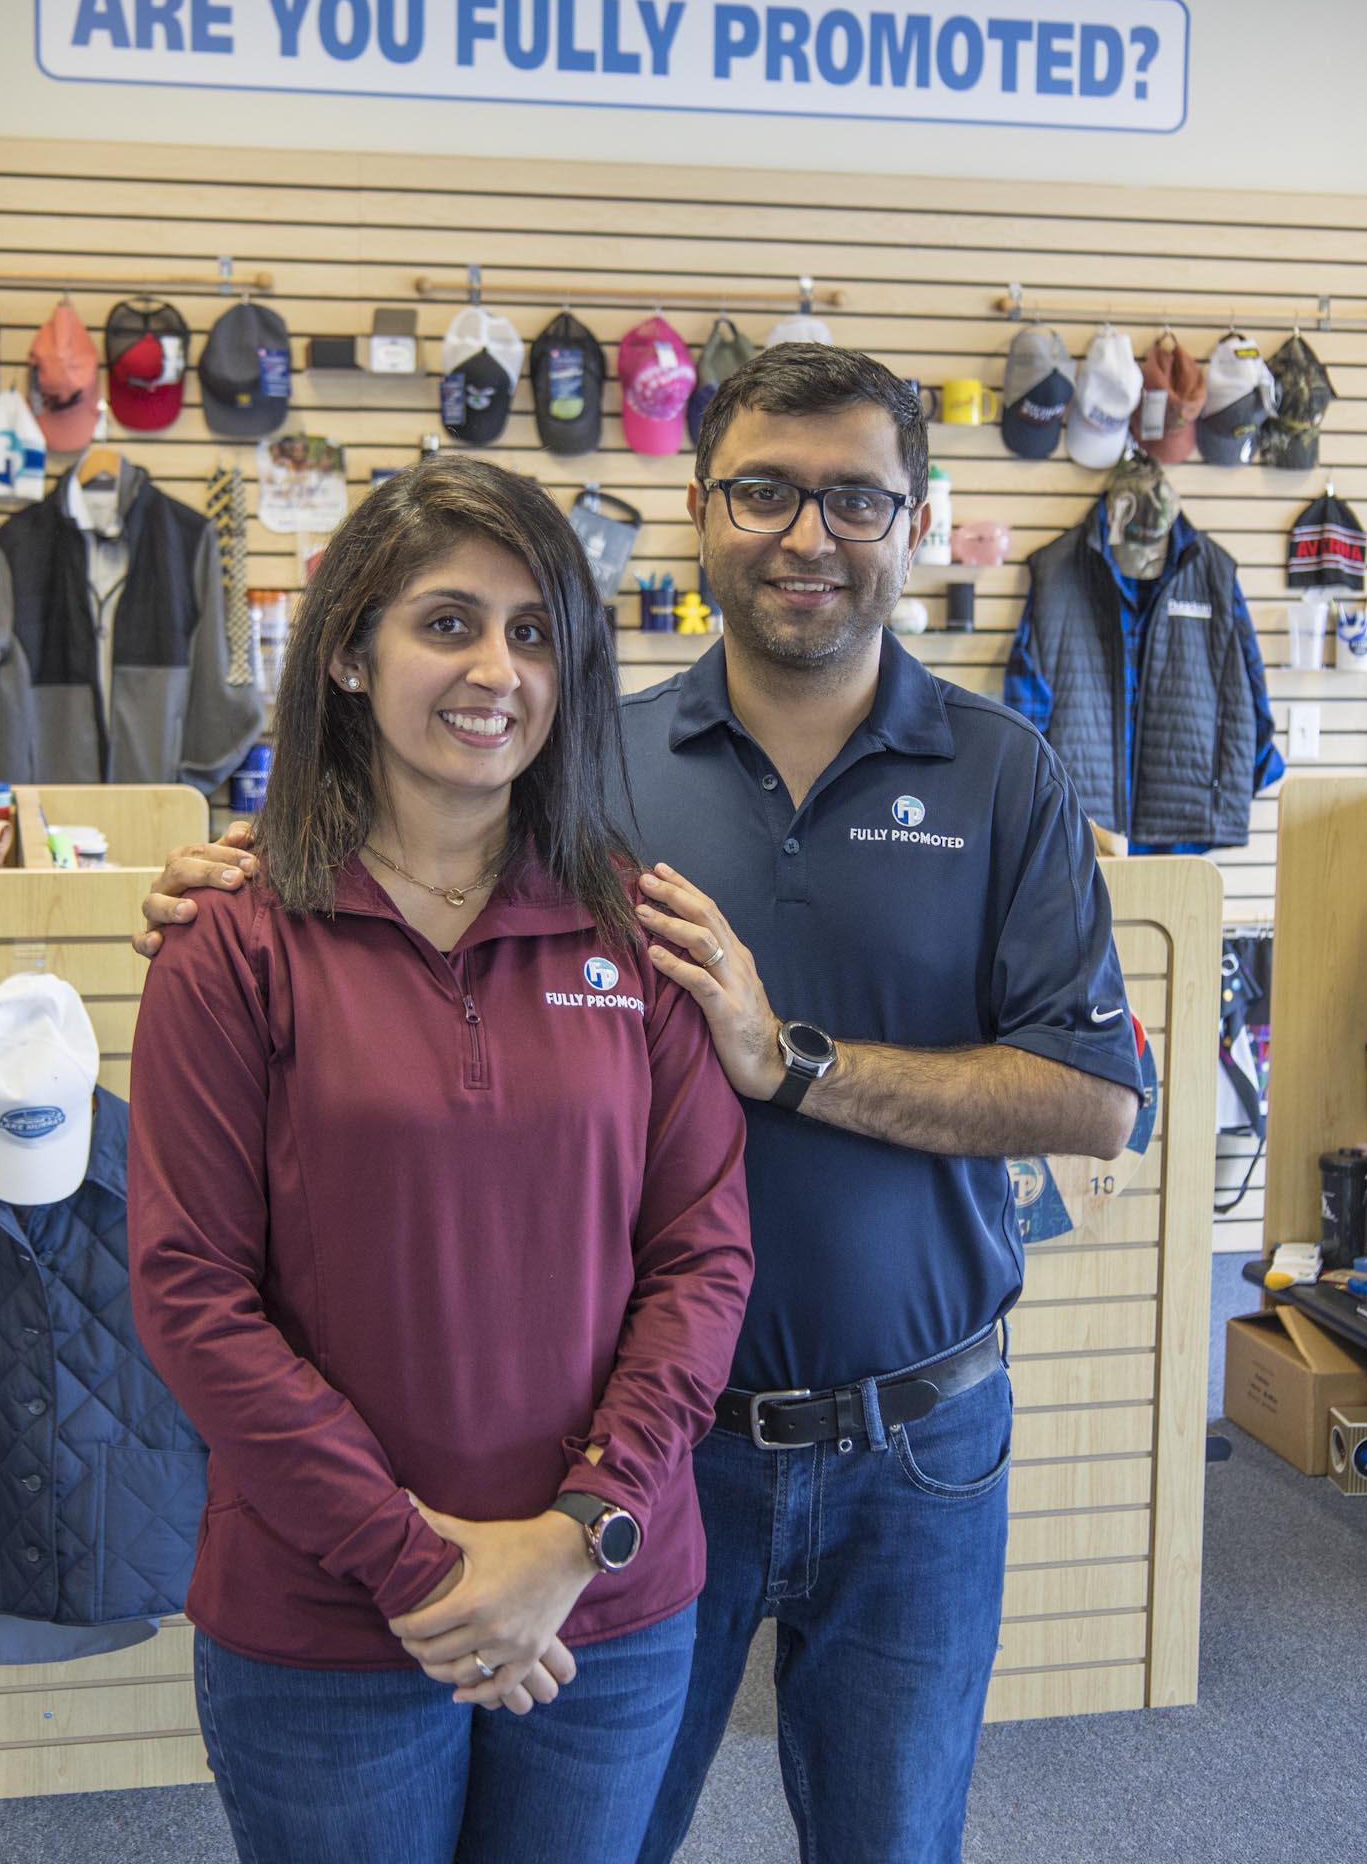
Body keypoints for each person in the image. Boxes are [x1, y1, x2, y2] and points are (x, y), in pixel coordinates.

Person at [138, 348, 1143, 1864]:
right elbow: (408, 852)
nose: (809, 535)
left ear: (917, 517)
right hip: (667, 1454)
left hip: (912, 1439)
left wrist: (789, 1059)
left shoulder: (1006, 776)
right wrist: (242, 884)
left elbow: (1096, 1103)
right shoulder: (586, 764)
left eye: (857, 499)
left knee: (892, 1838)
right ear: (700, 507)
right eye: (765, 491)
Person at [125, 456, 753, 1864]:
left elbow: (702, 1260)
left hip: (602, 1607)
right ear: (349, 652)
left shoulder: (636, 935)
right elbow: (188, 1291)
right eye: (449, 622)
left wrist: (579, 1531)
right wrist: (421, 1565)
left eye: (535, 633)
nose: (496, 671)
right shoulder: (233, 942)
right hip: (331, 1623)